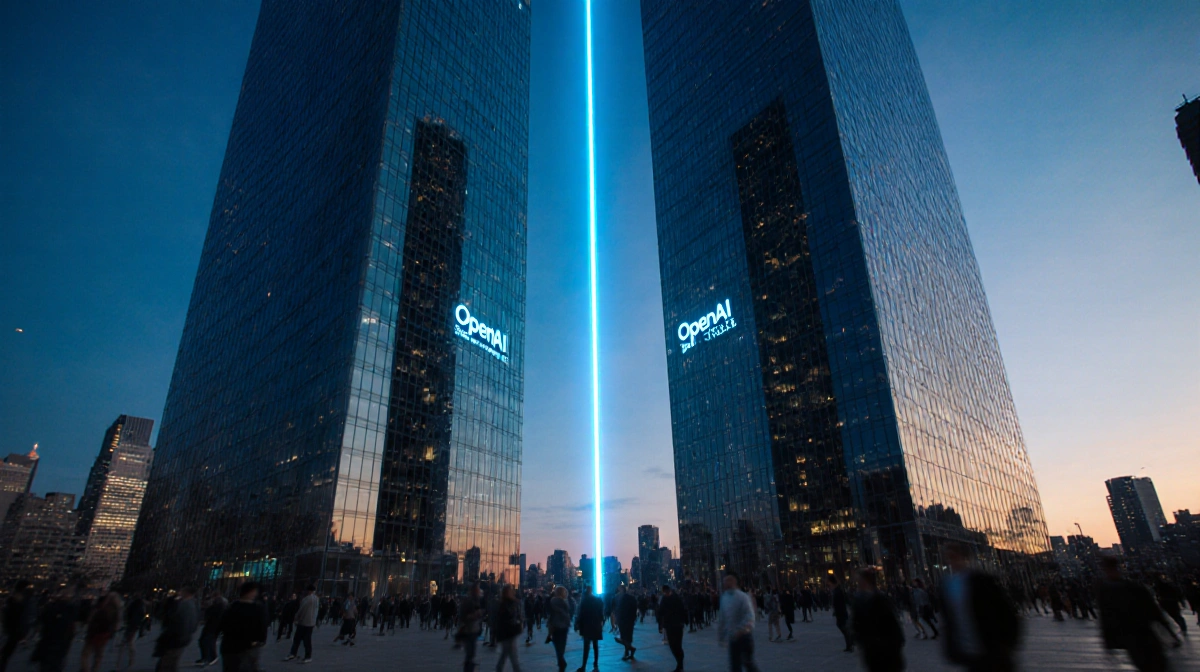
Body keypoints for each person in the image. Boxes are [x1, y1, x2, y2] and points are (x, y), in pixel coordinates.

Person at [939, 543, 1020, 672]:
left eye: (954, 556)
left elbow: (1006, 613)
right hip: (969, 655)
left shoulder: (982, 581)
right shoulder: (947, 585)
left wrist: (1007, 645)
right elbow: (949, 620)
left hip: (993, 651)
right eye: (948, 558)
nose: (952, 561)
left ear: (965, 557)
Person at [1098, 557, 1178, 672]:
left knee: (1146, 665)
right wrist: (1170, 632)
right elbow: (1155, 612)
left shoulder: (1106, 592)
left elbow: (1106, 618)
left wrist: (1108, 642)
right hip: (1145, 634)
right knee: (1157, 664)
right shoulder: (1134, 587)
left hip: (1133, 637)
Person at [851, 568, 905, 672]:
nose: (858, 585)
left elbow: (893, 624)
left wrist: (896, 645)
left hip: (886, 651)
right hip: (873, 652)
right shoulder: (859, 600)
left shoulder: (879, 599)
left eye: (859, 581)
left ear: (866, 581)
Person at [219, 582, 268, 672]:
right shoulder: (257, 609)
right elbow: (262, 629)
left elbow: (222, 625)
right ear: (252, 592)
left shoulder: (232, 607)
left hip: (229, 646)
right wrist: (258, 641)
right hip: (247, 648)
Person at [31, 585, 79, 672]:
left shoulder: (52, 606)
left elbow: (42, 621)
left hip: (52, 641)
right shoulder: (69, 608)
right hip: (58, 642)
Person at [718, 573, 759, 672]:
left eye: (729, 580)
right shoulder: (724, 598)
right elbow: (723, 618)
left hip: (744, 637)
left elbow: (750, 617)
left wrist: (742, 630)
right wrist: (721, 635)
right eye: (725, 581)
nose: (727, 583)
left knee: (748, 663)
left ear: (734, 581)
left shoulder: (743, 597)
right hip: (733, 638)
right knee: (735, 666)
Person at [155, 585, 199, 672]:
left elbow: (180, 622)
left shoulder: (185, 605)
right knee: (171, 664)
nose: (180, 593)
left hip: (176, 639)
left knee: (166, 664)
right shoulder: (192, 604)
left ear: (186, 592)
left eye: (182, 591)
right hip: (181, 639)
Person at [81, 589, 122, 672]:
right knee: (98, 656)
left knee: (85, 655)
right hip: (104, 635)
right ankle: (94, 669)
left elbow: (90, 618)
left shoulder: (100, 605)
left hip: (94, 633)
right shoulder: (116, 610)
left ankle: (86, 669)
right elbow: (117, 626)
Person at [1, 581, 34, 672]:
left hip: (13, 632)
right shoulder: (20, 602)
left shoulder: (15, 601)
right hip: (13, 632)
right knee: (6, 654)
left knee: (6, 654)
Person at [284, 584, 318, 663]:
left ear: (308, 591)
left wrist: (296, 618)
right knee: (307, 640)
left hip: (303, 622)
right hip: (311, 622)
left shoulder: (306, 599)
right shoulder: (316, 599)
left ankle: (293, 653)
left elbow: (301, 610)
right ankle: (308, 656)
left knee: (297, 639)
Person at [574, 584, 604, 672]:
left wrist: (577, 624)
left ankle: (583, 666)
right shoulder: (598, 600)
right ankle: (595, 665)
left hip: (586, 625)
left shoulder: (584, 601)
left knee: (586, 647)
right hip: (596, 625)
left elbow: (580, 614)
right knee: (595, 645)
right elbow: (601, 613)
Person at [456, 583, 485, 672]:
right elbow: (464, 616)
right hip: (468, 630)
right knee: (470, 654)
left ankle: (470, 668)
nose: (479, 591)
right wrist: (475, 615)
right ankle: (469, 669)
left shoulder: (476, 601)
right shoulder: (469, 601)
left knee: (471, 654)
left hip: (473, 630)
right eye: (477, 590)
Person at [494, 585, 523, 672]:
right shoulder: (503, 604)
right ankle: (515, 669)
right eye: (511, 591)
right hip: (506, 632)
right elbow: (506, 617)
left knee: (507, 653)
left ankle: (500, 668)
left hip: (510, 632)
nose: (513, 592)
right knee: (511, 654)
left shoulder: (511, 603)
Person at [658, 585, 687, 672]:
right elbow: (660, 612)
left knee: (677, 645)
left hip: (676, 625)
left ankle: (680, 664)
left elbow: (682, 609)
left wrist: (684, 620)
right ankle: (679, 663)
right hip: (670, 625)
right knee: (673, 645)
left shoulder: (674, 598)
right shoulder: (666, 599)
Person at [196, 592, 228, 667]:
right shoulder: (219, 604)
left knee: (207, 641)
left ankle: (209, 657)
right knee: (206, 641)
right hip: (212, 626)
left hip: (213, 626)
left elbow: (213, 614)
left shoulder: (219, 605)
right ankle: (207, 657)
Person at [547, 586, 572, 671]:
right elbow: (571, 611)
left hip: (555, 626)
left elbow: (550, 615)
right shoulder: (565, 602)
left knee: (556, 644)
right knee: (562, 645)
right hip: (564, 626)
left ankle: (561, 661)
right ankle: (561, 660)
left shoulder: (552, 601)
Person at [827, 575, 853, 652]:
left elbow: (841, 602)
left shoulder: (838, 590)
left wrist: (837, 609)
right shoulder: (836, 590)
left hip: (841, 612)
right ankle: (850, 643)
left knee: (843, 627)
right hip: (840, 612)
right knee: (842, 626)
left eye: (828, 581)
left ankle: (850, 643)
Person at [614, 585, 638, 660]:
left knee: (624, 637)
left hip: (625, 620)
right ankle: (629, 650)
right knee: (626, 637)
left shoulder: (620, 598)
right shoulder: (628, 598)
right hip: (627, 620)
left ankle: (628, 651)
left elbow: (616, 610)